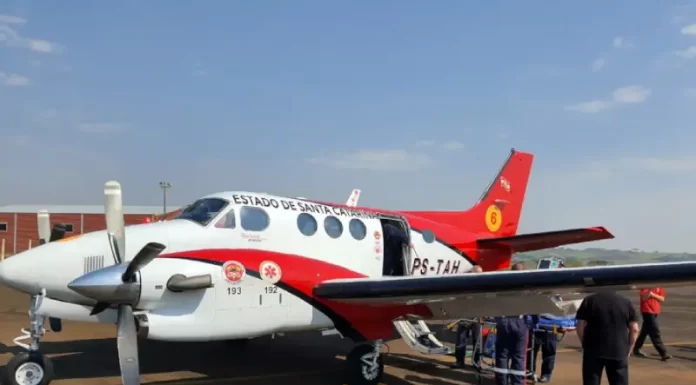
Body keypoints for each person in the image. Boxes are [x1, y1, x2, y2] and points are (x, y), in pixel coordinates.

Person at [576, 291, 640, 385]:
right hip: (618, 350)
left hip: (593, 350)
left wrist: (584, 343)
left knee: (591, 381)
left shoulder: (589, 300)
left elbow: (580, 326)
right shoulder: (626, 302)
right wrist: (630, 348)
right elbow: (634, 329)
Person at [493, 262, 528, 385]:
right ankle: (517, 383)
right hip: (520, 322)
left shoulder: (503, 286)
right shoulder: (527, 287)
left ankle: (502, 382)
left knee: (502, 355)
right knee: (518, 357)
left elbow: (496, 303)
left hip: (504, 321)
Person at [450, 265, 484, 369]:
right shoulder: (465, 284)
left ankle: (477, 362)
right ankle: (459, 361)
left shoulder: (484, 285)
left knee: (477, 340)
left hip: (477, 316)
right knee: (461, 339)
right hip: (465, 315)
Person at [633, 287, 671, 360]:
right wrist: (650, 292)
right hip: (647, 311)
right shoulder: (646, 287)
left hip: (655, 311)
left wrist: (652, 295)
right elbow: (644, 298)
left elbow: (662, 299)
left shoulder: (660, 288)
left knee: (644, 332)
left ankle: (636, 349)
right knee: (654, 331)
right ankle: (663, 353)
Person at [526, 315, 557, 383]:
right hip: (534, 323)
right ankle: (529, 372)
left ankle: (546, 375)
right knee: (531, 351)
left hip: (551, 324)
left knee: (549, 351)